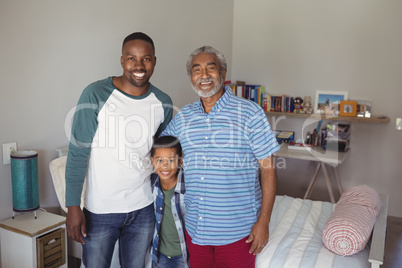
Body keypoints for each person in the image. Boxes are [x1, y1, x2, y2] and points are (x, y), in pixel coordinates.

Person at [161, 46, 280, 267]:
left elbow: (269, 169)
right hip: (196, 228)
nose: (204, 75)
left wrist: (263, 222)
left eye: (210, 68)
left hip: (239, 231)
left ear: (223, 74)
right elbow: (163, 148)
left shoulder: (250, 113)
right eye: (197, 70)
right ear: (191, 78)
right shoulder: (184, 116)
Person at [65, 32, 173, 267]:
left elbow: (162, 155)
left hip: (143, 208)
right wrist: (73, 206)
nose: (139, 65)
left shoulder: (163, 103)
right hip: (100, 210)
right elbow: (77, 153)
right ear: (122, 60)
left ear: (154, 61)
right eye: (131, 58)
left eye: (146, 59)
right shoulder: (95, 94)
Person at [150, 136, 189, 268]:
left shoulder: (188, 186)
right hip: (160, 253)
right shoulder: (151, 185)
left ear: (180, 161)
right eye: (160, 160)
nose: (165, 166)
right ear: (152, 161)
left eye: (171, 160)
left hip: (185, 255)